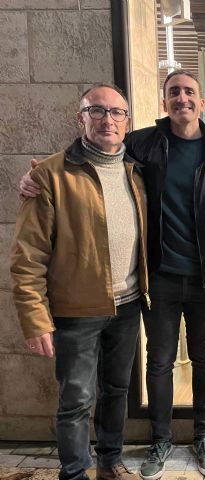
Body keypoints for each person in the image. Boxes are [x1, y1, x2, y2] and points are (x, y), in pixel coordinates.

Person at [19, 70, 205, 480]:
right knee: (157, 363)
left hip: (204, 281)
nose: (182, 98)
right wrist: (35, 175)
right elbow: (86, 155)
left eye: (190, 92)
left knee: (203, 359)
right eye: (174, 92)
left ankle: (204, 436)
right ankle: (159, 440)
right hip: (157, 280)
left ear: (202, 102)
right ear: (164, 102)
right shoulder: (143, 145)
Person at [11, 84, 147, 480]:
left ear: (127, 121)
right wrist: (34, 319)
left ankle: (110, 462)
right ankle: (74, 473)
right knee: (76, 399)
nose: (108, 120)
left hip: (128, 304)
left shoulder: (136, 172)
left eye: (117, 112)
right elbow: (28, 255)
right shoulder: (50, 175)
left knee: (117, 391)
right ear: (80, 118)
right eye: (97, 111)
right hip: (77, 311)